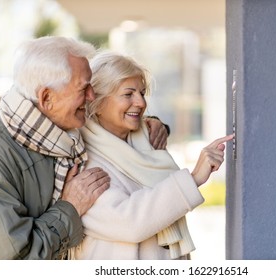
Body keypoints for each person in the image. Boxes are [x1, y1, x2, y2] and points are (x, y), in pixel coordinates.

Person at [0, 36, 168, 260]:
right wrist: (69, 208)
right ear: (47, 97)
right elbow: (13, 263)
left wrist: (152, 125)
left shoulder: (58, 130)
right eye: (84, 88)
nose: (92, 96)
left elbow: (107, 119)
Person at [69, 51, 233, 260]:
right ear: (98, 102)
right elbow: (128, 223)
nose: (141, 103)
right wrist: (192, 179)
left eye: (142, 93)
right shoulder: (82, 158)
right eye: (128, 94)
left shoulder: (148, 142)